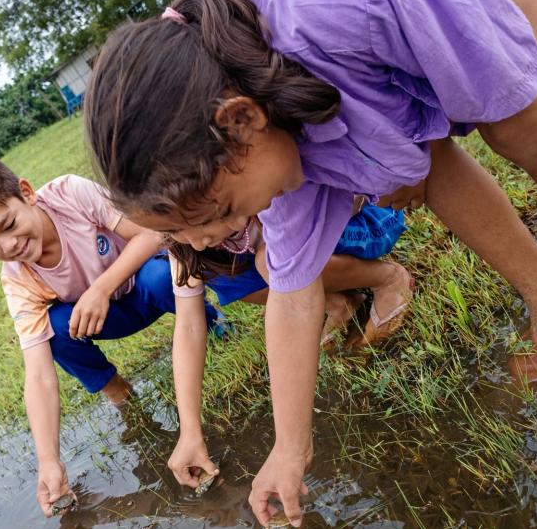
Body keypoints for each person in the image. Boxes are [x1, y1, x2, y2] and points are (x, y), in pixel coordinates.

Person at [83, 0, 537, 526]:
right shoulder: (254, 133)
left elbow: (534, 111)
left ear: (240, 119)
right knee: (428, 161)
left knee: (518, 117)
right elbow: (293, 290)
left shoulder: (324, 16)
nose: (225, 234)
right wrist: (289, 448)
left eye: (223, 210)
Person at [0, 152, 228, 518]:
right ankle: (120, 394)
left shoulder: (70, 194)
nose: (7, 247)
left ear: (26, 193)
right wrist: (48, 461)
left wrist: (101, 288)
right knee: (52, 330)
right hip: (108, 318)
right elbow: (38, 375)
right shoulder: (17, 279)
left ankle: (214, 323)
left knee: (164, 277)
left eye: (8, 225)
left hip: (146, 285)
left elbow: (151, 234)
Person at [165, 204, 412, 489]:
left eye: (201, 223)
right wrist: (189, 431)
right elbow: (188, 325)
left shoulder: (262, 195)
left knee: (268, 259)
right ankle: (338, 300)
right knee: (220, 273)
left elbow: (343, 204)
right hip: (301, 250)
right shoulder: (188, 243)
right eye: (177, 232)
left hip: (365, 221)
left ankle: (386, 278)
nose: (196, 241)